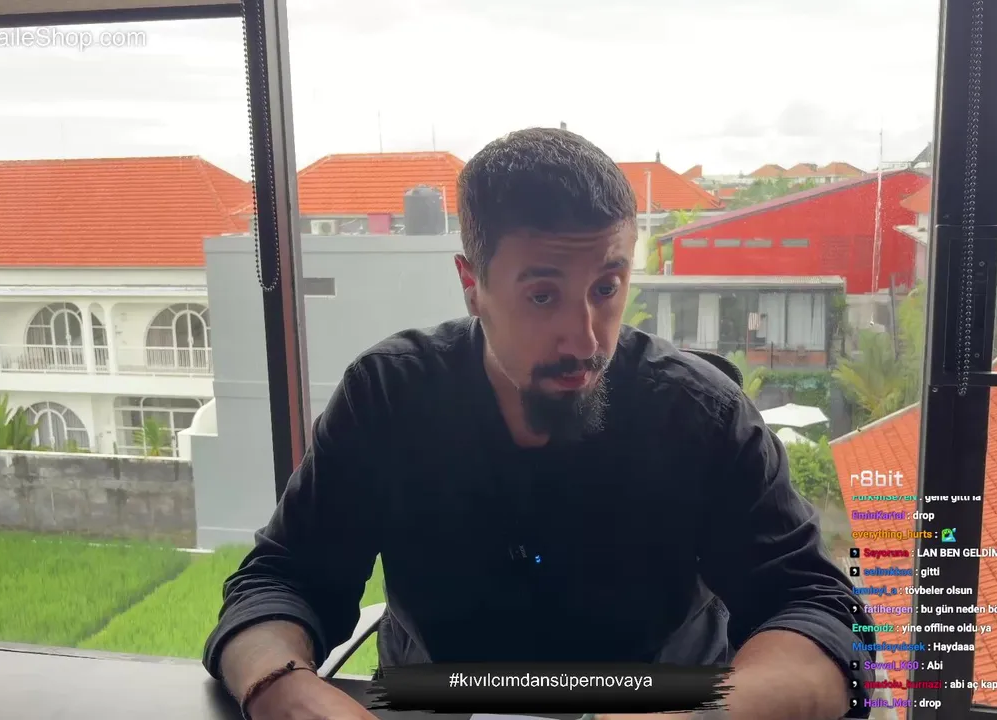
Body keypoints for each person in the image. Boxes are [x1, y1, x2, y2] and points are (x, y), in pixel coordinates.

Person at [203, 127, 878, 720]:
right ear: (472, 284)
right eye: (542, 294)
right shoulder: (389, 398)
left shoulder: (700, 415)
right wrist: (281, 688)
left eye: (606, 287)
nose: (584, 338)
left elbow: (818, 609)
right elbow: (280, 579)